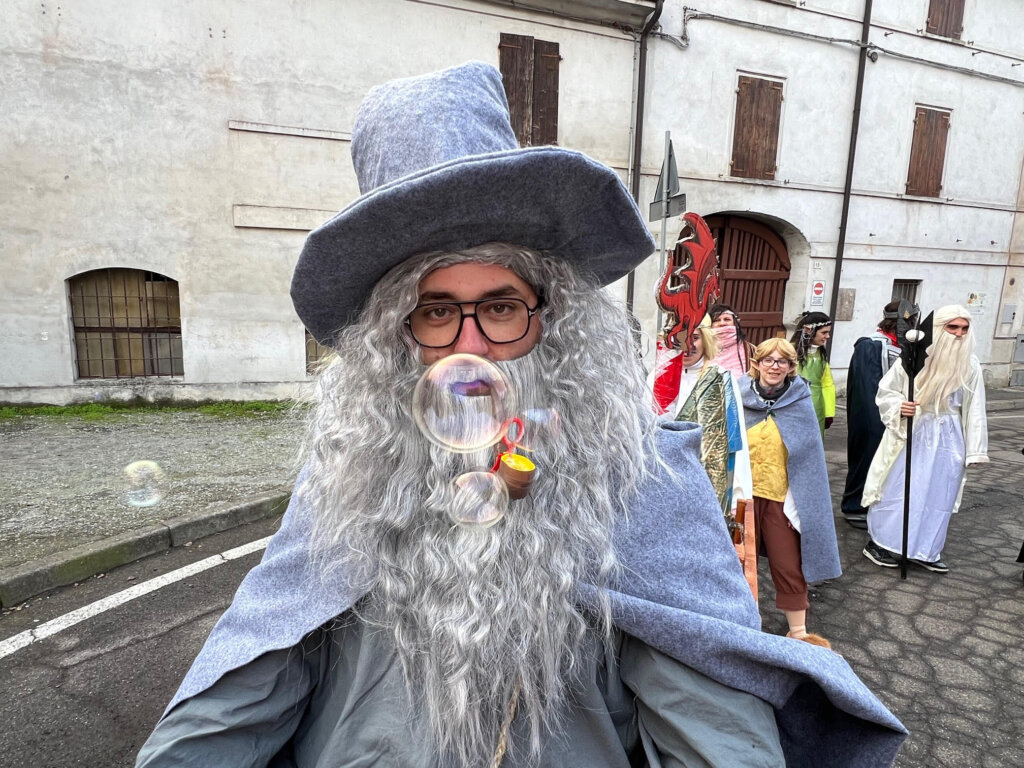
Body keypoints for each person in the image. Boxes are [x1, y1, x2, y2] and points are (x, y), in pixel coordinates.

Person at [136, 62, 905, 767]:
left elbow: (721, 737)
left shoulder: (641, 474)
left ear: (552, 317)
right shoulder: (349, 473)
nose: (471, 345)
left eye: (501, 306)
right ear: (392, 337)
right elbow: (240, 693)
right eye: (435, 311)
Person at [861, 305, 989, 573]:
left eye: (964, 328)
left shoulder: (971, 364)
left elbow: (975, 408)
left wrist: (975, 449)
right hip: (913, 431)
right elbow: (886, 391)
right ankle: (882, 543)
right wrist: (900, 406)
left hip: (949, 437)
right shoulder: (913, 357)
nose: (959, 334)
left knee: (939, 494)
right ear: (939, 328)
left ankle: (925, 549)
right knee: (899, 489)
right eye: (952, 327)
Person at [740, 339, 841, 647]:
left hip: (780, 499)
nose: (775, 366)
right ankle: (737, 619)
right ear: (757, 364)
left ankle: (798, 631)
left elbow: (809, 458)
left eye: (782, 361)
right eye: (768, 360)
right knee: (737, 562)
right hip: (743, 497)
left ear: (791, 367)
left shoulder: (799, 402)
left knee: (787, 564)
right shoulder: (740, 398)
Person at [651, 324, 752, 522]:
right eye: (679, 338)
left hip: (705, 476)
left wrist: (738, 493)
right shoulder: (656, 377)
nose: (687, 344)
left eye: (694, 338)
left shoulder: (720, 378)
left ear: (705, 341)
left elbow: (733, 439)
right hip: (664, 477)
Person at [840, 301, 906, 530]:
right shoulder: (871, 345)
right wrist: (877, 422)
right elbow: (867, 388)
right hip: (872, 416)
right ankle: (855, 506)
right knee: (867, 457)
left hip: (894, 414)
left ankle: (878, 506)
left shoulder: (901, 345)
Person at [790, 311, 835, 438]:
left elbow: (827, 384)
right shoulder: (789, 351)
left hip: (817, 407)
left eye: (828, 332)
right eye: (824, 332)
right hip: (793, 405)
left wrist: (829, 413)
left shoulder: (821, 354)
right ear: (808, 330)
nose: (827, 336)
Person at [708, 301, 754, 377]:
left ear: (735, 323)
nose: (722, 323)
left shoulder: (751, 350)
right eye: (716, 320)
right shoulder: (701, 349)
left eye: (727, 319)